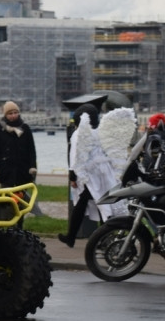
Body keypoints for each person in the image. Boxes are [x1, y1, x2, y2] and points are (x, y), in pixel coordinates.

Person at [58, 106, 137, 247]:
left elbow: (75, 156)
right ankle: (96, 238)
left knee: (90, 204)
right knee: (100, 203)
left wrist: (72, 175)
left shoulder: (79, 134)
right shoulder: (101, 132)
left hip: (90, 175)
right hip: (104, 173)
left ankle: (94, 238)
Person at [0, 101, 38, 189]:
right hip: (5, 170)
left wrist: (33, 166)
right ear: (5, 115)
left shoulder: (25, 128)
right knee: (7, 197)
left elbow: (31, 149)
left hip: (22, 169)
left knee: (23, 196)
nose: (13, 115)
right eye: (10, 113)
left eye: (15, 113)